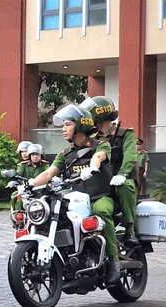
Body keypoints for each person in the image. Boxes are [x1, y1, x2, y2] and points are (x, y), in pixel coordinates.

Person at [30, 104, 121, 284]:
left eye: (68, 124)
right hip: (78, 199)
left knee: (102, 212)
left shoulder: (99, 145)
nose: (63, 129)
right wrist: (30, 183)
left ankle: (114, 261)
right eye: (63, 125)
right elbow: (49, 173)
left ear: (80, 125)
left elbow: (99, 157)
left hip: (101, 197)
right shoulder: (66, 153)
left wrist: (92, 168)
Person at [81, 96, 139, 247]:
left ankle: (130, 229)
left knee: (125, 185)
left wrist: (122, 174)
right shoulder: (93, 139)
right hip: (102, 185)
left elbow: (130, 157)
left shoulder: (125, 133)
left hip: (121, 182)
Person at [10, 143, 49, 211]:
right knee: (16, 195)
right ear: (30, 156)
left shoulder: (45, 165)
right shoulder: (23, 165)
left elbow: (48, 174)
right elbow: (18, 174)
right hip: (27, 189)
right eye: (33, 155)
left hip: (41, 189)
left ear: (41, 156)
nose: (35, 157)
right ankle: (18, 214)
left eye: (37, 154)